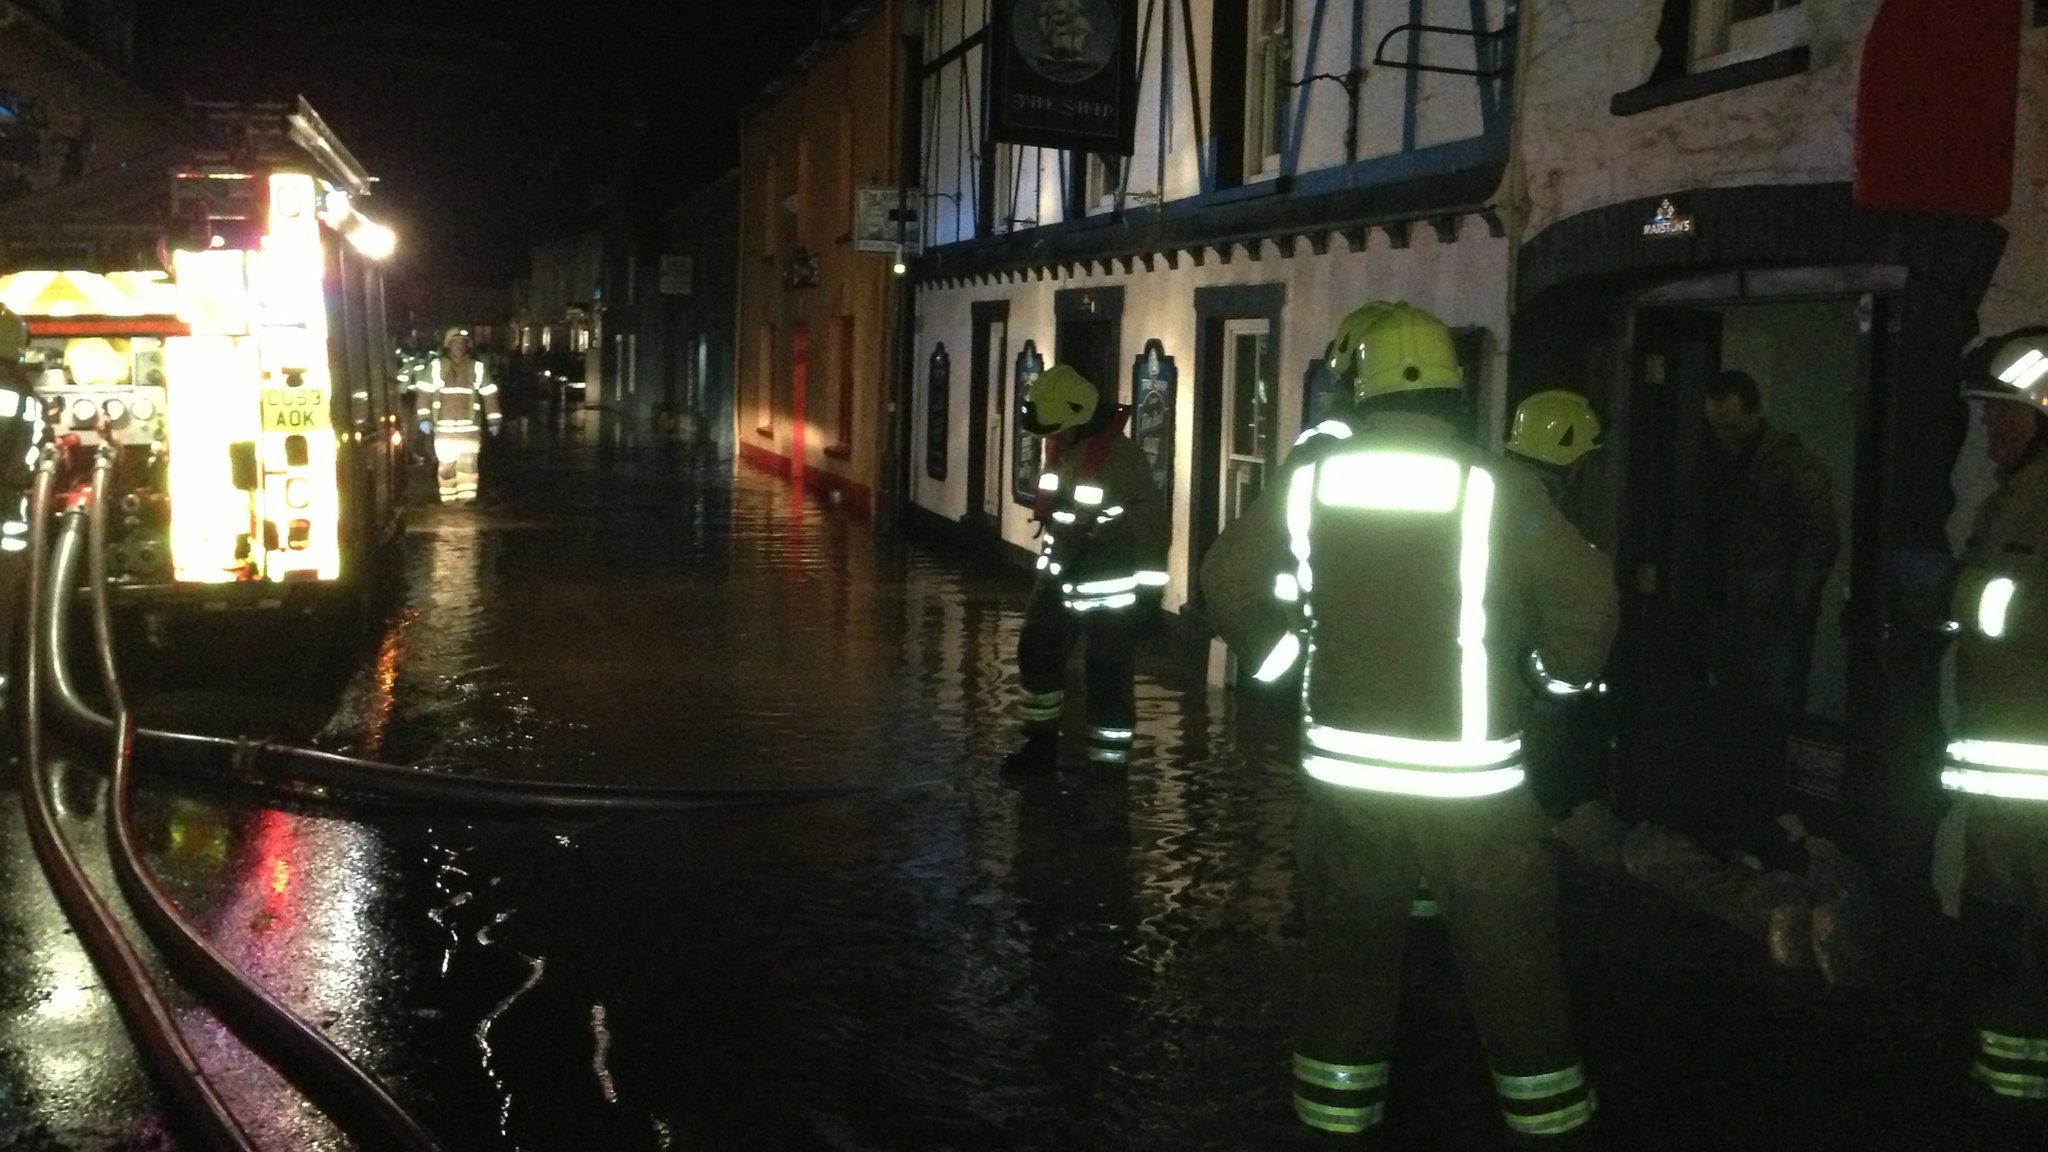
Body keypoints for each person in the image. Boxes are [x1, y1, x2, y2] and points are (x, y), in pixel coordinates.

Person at [1201, 302, 1616, 1143]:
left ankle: (1334, 1121)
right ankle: (1549, 1125)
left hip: (1348, 785)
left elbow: (1228, 581)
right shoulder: (1497, 485)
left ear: (1357, 385)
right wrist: (1549, 679)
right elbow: (1586, 602)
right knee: (1516, 973)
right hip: (1476, 794)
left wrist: (1283, 668)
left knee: (1347, 972)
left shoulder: (1311, 480)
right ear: (1455, 390)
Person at [1944, 328, 2048, 1112]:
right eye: (1984, 415)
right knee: (2009, 925)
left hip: (2036, 772)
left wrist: (1950, 597)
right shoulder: (2018, 495)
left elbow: (2018, 615)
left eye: (2002, 415)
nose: (1988, 430)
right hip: (2010, 770)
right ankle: (2002, 1080)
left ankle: (2014, 1095)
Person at [1005, 363, 1168, 773]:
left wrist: (1149, 598)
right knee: (1036, 651)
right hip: (1063, 575)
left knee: (1107, 677)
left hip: (1107, 586)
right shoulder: (1071, 452)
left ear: (1076, 418)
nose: (1050, 440)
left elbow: (1148, 530)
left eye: (1056, 430)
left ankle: (1107, 770)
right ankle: (1040, 747)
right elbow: (1062, 517)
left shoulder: (1119, 460)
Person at [1685, 369, 1841, 714]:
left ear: (1756, 414)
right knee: (1734, 707)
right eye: (1716, 426)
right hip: (1730, 607)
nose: (1723, 435)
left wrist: (1791, 600)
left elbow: (1820, 537)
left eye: (1732, 425)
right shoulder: (1718, 461)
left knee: (1771, 710)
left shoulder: (1793, 465)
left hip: (1771, 616)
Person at [1504, 390, 1617, 826]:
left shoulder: (1483, 488)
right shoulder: (1544, 523)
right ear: (1571, 460)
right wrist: (1546, 680)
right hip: (1509, 708)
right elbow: (1587, 605)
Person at [415, 328, 502, 503]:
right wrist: (424, 419)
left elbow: (489, 394)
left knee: (468, 467)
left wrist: (494, 420)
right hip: (444, 430)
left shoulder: (476, 368)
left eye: (463, 342)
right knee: (446, 468)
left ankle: (466, 503)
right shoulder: (436, 367)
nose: (460, 346)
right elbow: (424, 393)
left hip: (469, 431)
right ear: (448, 345)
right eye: (456, 342)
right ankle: (449, 503)